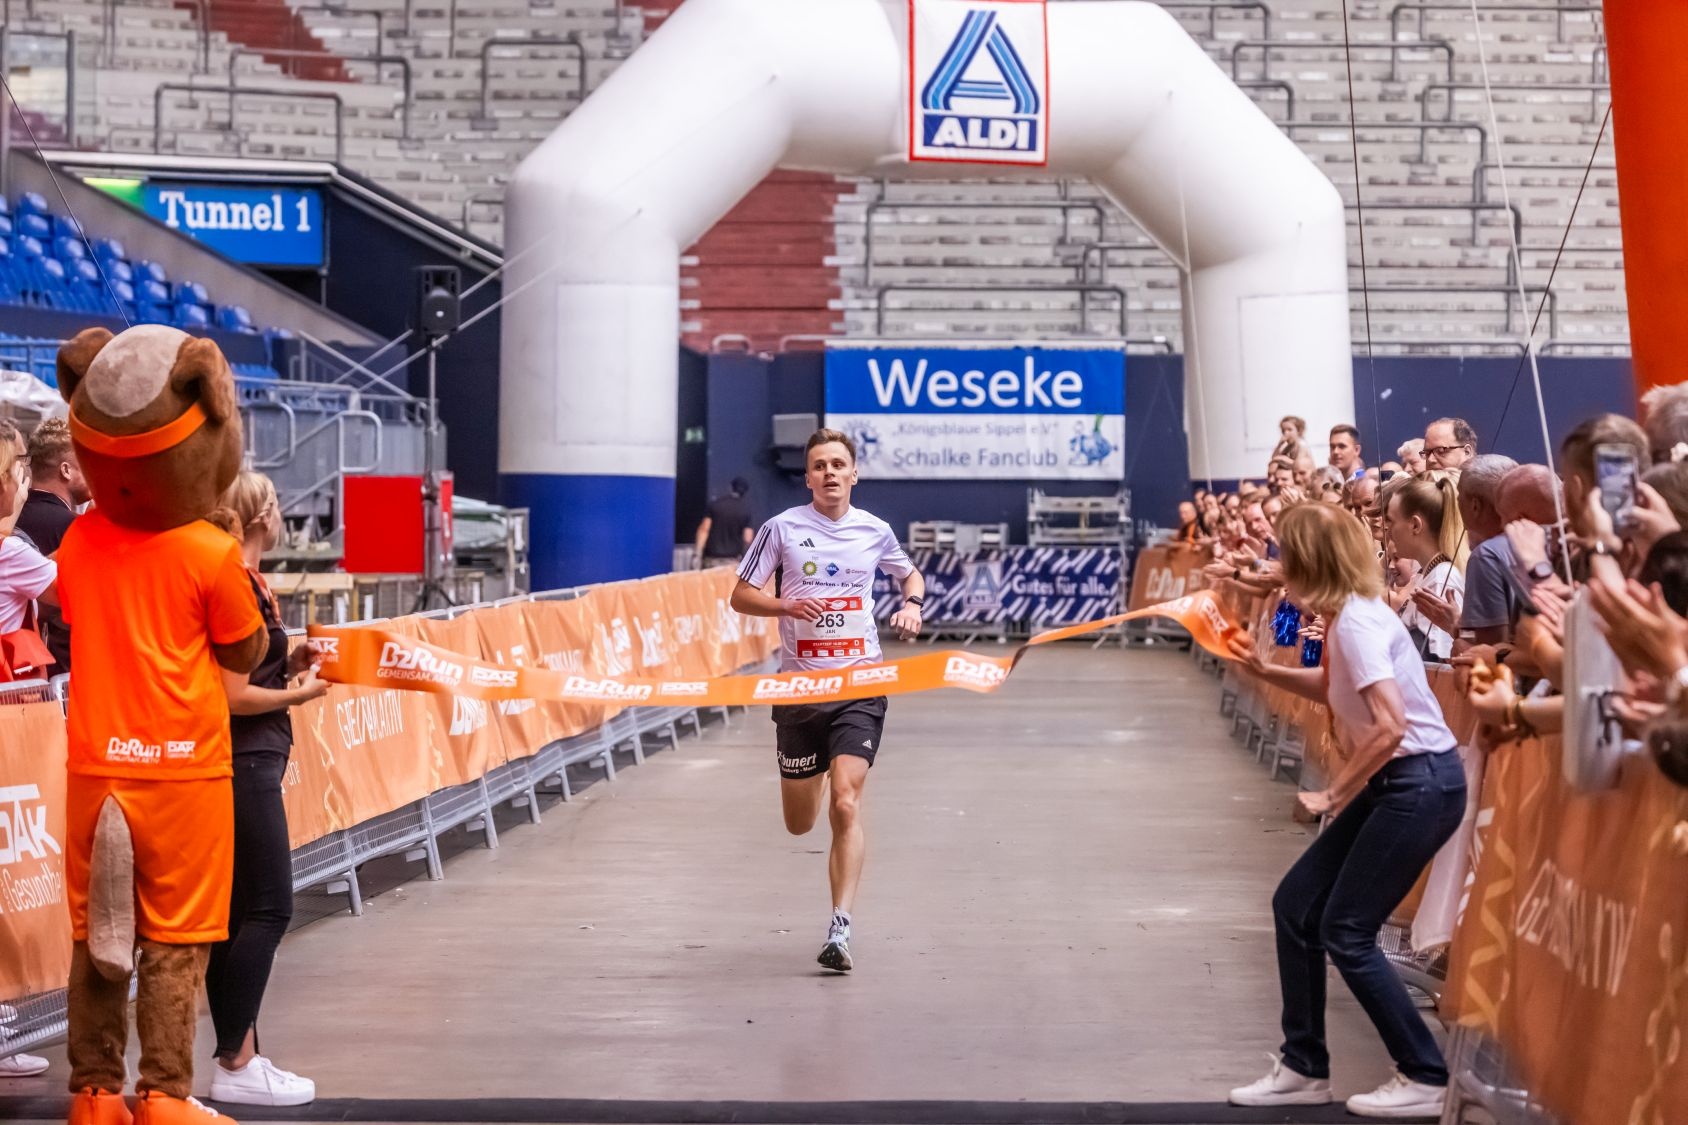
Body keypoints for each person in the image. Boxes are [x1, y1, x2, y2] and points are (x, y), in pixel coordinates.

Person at [1225, 502, 1466, 1119]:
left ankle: (1425, 1074)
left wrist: (1332, 796)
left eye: (1287, 555)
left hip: (1418, 784)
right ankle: (1303, 1066)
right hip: (1404, 782)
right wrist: (1265, 669)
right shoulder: (1345, 618)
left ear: (1312, 562)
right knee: (1296, 905)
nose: (1279, 566)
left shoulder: (1356, 623)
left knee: (1347, 930)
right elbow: (1336, 686)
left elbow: (1389, 725)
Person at [729, 429, 925, 973]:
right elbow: (740, 595)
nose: (830, 473)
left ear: (854, 474)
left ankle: (840, 927)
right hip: (799, 692)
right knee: (799, 822)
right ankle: (813, 770)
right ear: (808, 477)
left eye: (839, 464)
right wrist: (786, 607)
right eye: (820, 465)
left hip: (859, 686)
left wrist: (911, 604)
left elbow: (910, 573)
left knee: (846, 803)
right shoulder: (781, 529)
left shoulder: (875, 530)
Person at [204, 472, 328, 1106]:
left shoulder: (249, 582)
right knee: (271, 907)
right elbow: (232, 694)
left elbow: (248, 669)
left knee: (235, 914)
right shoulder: (234, 583)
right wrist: (297, 694)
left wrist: (289, 661)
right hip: (244, 759)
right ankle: (234, 1058)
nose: (283, 517)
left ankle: (242, 1056)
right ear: (259, 516)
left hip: (248, 758)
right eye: (278, 506)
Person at [18, 418, 89, 673]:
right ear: (66, 470)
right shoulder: (78, 531)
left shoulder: (8, 521)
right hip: (59, 670)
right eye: (87, 464)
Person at [1386, 474, 1467, 660]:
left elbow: (1440, 659)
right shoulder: (1428, 574)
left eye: (1391, 521)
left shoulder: (1441, 578)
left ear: (1415, 525)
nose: (1388, 530)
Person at [1452, 454, 1523, 648]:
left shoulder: (1485, 556)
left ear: (1475, 506)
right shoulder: (1543, 540)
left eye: (1459, 495)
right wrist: (1461, 626)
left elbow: (1487, 645)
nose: (1457, 500)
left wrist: (1460, 634)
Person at [694, 478, 754, 566]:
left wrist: (697, 554)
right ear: (745, 492)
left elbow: (704, 529)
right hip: (733, 561)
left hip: (711, 559)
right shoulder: (746, 511)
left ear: (730, 488)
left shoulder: (715, 505)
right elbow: (748, 538)